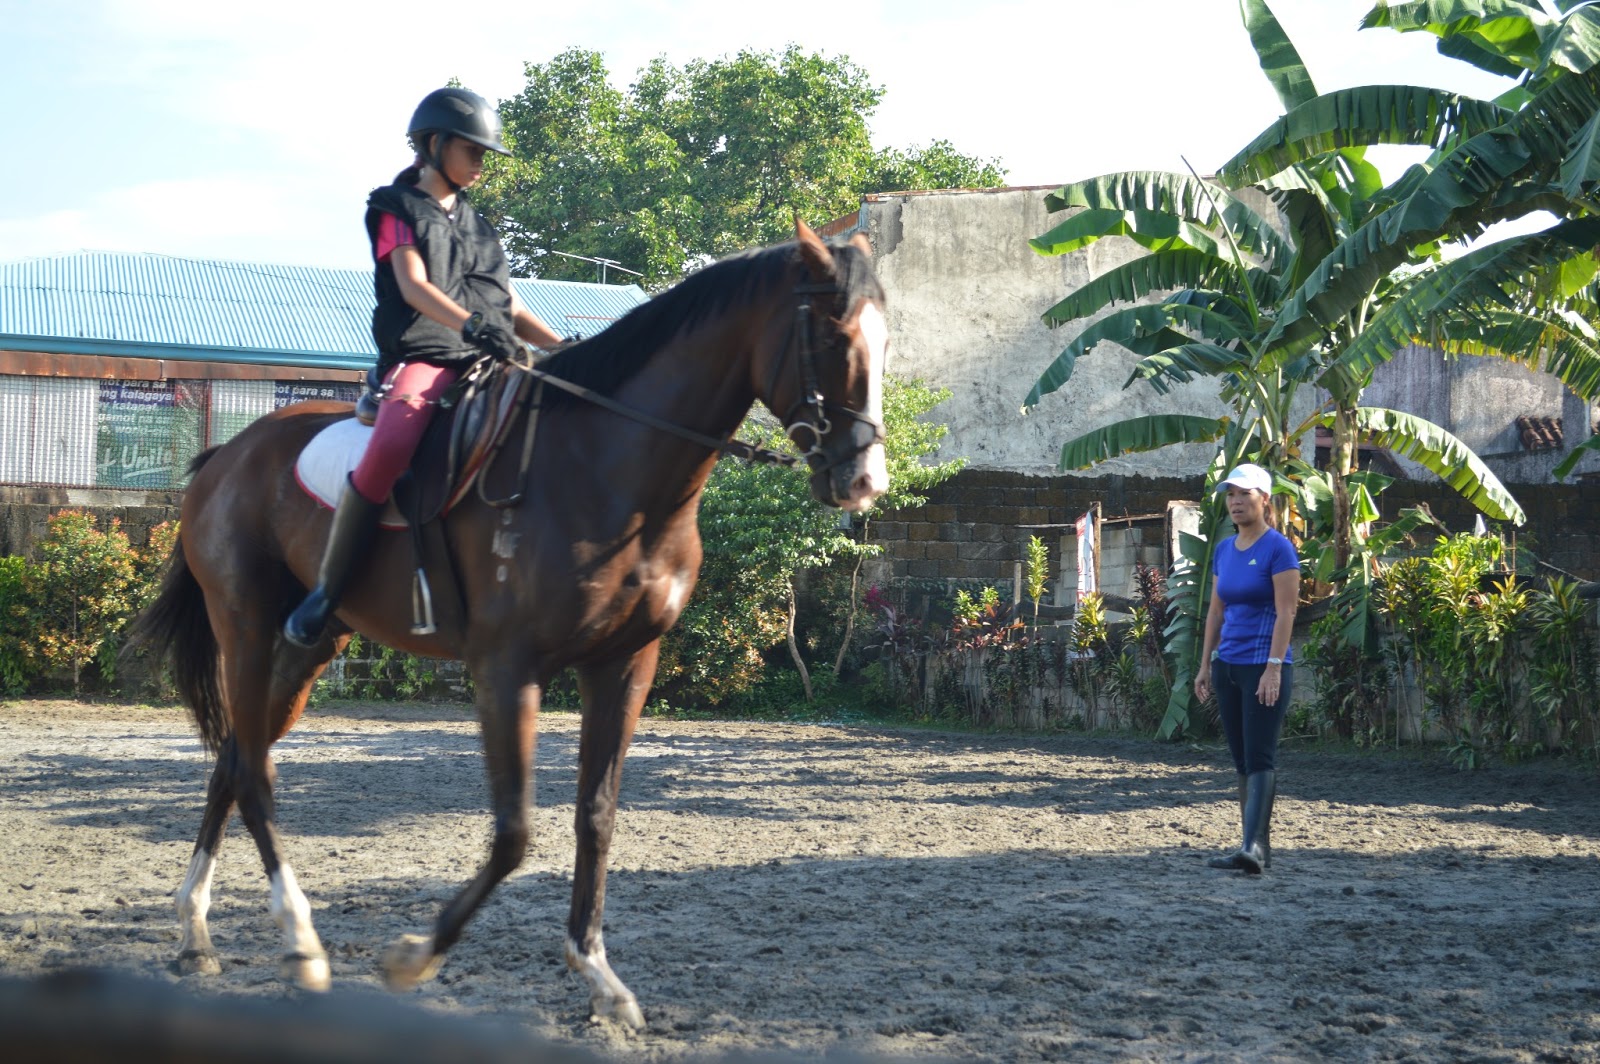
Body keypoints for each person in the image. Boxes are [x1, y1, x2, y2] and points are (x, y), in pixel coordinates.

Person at [284, 87, 563, 647]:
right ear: (434, 145)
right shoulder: (397, 207)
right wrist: (469, 326)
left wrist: (565, 349)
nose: (482, 164)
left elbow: (512, 306)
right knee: (390, 446)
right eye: (473, 151)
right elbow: (413, 286)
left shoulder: (481, 226)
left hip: (492, 356)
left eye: (486, 155)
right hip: (427, 355)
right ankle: (328, 591)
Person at [1193, 462, 1300, 874]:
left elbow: (1287, 611)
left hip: (1264, 666)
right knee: (1240, 759)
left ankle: (1253, 846)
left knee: (1260, 756)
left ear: (1263, 500)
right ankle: (1253, 848)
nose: (1236, 502)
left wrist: (1274, 667)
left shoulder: (1278, 548)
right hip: (1228, 667)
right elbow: (1216, 611)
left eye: (1244, 494)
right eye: (1231, 495)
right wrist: (1205, 664)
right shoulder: (1224, 549)